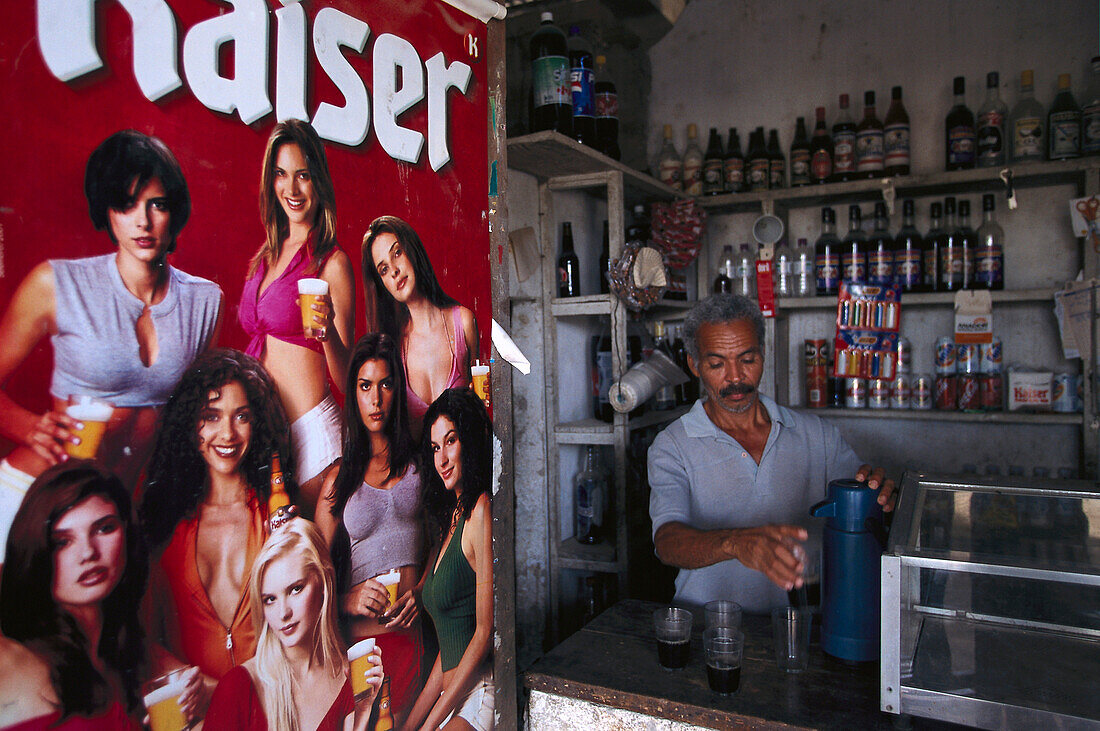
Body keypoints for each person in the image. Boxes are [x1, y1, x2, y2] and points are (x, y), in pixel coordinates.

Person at [0, 130, 222, 556]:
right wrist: (32, 427)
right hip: (36, 498)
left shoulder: (205, 301)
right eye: (126, 205)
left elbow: (199, 416)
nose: (142, 221)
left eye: (156, 204)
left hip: (118, 519)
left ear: (174, 211)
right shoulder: (56, 283)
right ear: (107, 210)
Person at [647, 294, 895, 614]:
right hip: (708, 626)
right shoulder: (672, 445)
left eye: (747, 360)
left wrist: (881, 496)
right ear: (695, 365)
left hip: (806, 627)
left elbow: (866, 504)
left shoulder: (817, 435)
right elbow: (667, 542)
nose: (735, 377)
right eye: (717, 363)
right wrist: (735, 543)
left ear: (763, 354)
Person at [139, 348, 294, 721]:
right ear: (193, 426)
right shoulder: (166, 527)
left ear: (255, 425)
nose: (227, 434)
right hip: (193, 722)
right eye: (212, 417)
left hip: (268, 715)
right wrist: (185, 681)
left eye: (241, 416)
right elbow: (144, 640)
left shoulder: (276, 518)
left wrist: (223, 691)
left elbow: (300, 644)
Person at [239, 119, 355, 515]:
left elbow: (346, 378)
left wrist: (326, 336)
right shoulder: (265, 256)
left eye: (303, 175)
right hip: (267, 438)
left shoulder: (332, 262)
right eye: (281, 175)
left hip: (312, 436)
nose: (291, 189)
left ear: (318, 180)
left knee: (311, 567)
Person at [315, 333, 425, 728]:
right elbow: (312, 579)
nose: (375, 399)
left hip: (409, 641)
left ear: (397, 390)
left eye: (385, 384)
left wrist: (422, 590)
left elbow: (450, 540)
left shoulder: (421, 465)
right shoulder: (337, 480)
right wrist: (347, 599)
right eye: (364, 386)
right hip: (360, 648)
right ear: (354, 394)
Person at [0, 460, 147, 729]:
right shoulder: (13, 658)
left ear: (127, 532)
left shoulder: (129, 650)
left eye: (104, 528)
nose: (88, 553)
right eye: (62, 542)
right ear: (35, 551)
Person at [204, 519, 384, 731]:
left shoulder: (351, 678)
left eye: (295, 589)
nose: (283, 613)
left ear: (323, 583)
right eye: (270, 599)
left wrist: (363, 713)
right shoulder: (238, 687)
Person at [406, 388, 494, 731]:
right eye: (434, 448)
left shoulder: (481, 510)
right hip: (453, 695)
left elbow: (484, 633)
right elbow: (448, 649)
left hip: (479, 694)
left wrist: (430, 725)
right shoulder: (451, 519)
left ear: (469, 441)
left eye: (451, 441)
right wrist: (412, 725)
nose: (441, 459)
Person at [362, 216, 478, 439]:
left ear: (412, 250)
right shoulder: (391, 347)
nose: (394, 270)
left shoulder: (463, 323)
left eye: (397, 253)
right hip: (412, 472)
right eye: (384, 269)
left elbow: (482, 408)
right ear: (382, 284)